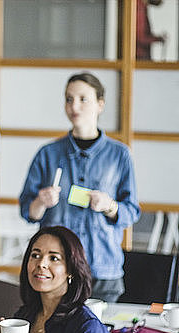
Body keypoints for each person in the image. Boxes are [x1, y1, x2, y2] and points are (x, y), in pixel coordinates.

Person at [19, 72, 140, 302]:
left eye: (83, 99)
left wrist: (109, 206)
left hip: (103, 270)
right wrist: (40, 202)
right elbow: (28, 212)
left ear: (100, 104)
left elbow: (131, 211)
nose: (74, 105)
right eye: (69, 99)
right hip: (57, 272)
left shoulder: (119, 155)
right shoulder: (48, 154)